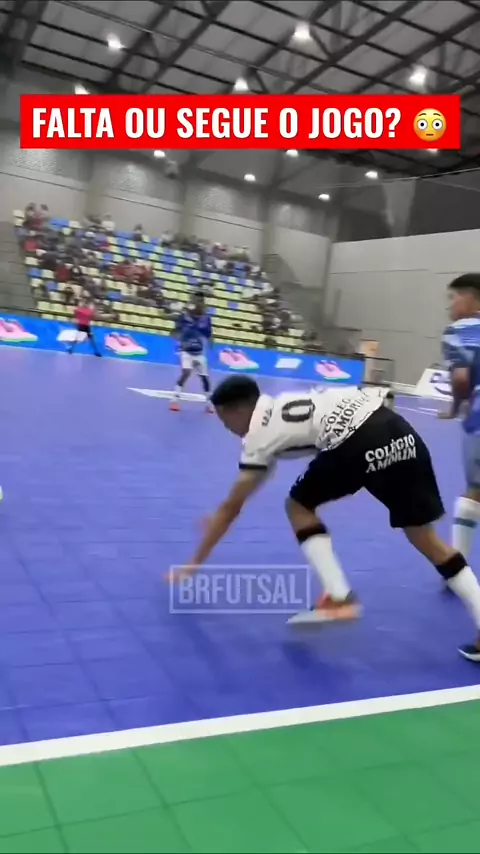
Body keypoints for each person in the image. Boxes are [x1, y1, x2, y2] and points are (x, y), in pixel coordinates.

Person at [170, 375, 480, 662]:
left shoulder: (258, 438)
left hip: (355, 443)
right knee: (425, 538)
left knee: (297, 506)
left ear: (238, 410)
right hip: (399, 431)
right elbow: (383, 395)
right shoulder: (289, 399)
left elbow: (232, 508)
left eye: (224, 419)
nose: (226, 427)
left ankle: (337, 595)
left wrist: (194, 562)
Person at [440, 273, 480, 559]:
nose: (450, 305)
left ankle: (458, 566)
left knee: (474, 492)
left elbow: (461, 379)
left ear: (470, 297)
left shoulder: (459, 330)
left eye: (452, 298)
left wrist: (456, 408)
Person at [170, 292, 213, 413]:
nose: (199, 303)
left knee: (204, 378)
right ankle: (174, 400)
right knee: (186, 373)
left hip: (199, 352)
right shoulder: (184, 317)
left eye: (201, 301)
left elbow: (209, 334)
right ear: (193, 302)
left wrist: (212, 346)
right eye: (197, 300)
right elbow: (175, 331)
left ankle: (209, 403)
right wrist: (179, 339)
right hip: (186, 352)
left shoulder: (206, 319)